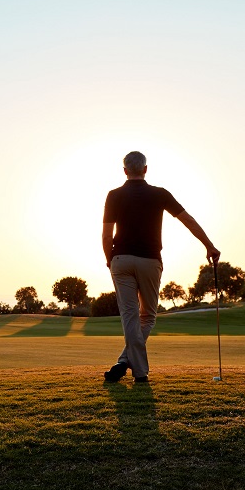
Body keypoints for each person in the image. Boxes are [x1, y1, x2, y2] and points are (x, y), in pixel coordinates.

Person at [102, 151, 220, 383]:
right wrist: (209, 246)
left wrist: (110, 260)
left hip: (120, 260)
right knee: (147, 317)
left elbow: (106, 236)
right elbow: (188, 221)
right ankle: (139, 373)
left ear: (125, 171)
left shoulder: (113, 195)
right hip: (150, 261)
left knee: (129, 316)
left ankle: (125, 361)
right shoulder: (160, 194)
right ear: (145, 169)